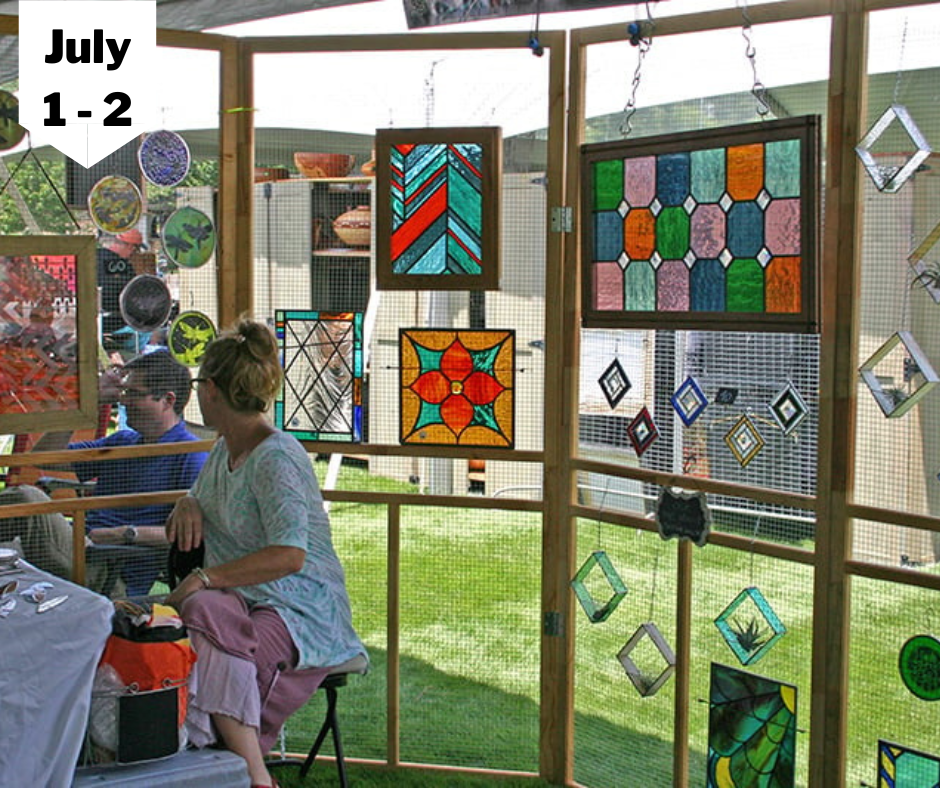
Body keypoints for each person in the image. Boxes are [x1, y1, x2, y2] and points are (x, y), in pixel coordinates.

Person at [165, 318, 367, 788]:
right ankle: (241, 770)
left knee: (218, 638)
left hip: (301, 607)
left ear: (211, 390)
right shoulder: (225, 449)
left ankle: (247, 773)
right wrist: (187, 501)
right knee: (200, 614)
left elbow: (290, 556)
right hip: (244, 600)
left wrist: (208, 577)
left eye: (198, 384)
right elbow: (204, 496)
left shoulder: (276, 457)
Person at [12, 349, 209, 595]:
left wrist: (126, 534)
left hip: (111, 571)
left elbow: (197, 534)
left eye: (134, 394)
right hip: (82, 549)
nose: (123, 401)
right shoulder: (122, 442)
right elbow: (43, 456)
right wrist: (89, 402)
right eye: (124, 392)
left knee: (26, 499)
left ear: (168, 400)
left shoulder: (191, 454)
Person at [97, 228, 142, 347]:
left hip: (91, 323)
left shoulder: (92, 256)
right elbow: (134, 295)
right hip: (117, 325)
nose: (133, 254)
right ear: (130, 247)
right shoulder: (124, 267)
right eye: (135, 249)